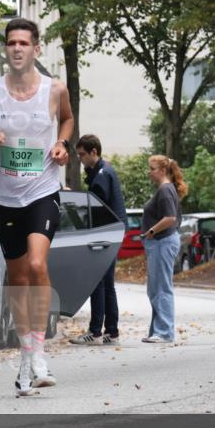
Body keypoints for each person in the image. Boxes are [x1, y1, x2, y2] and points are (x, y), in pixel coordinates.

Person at [0, 17, 73, 397]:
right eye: (11, 42)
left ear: (36, 48)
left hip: (42, 190)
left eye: (24, 43)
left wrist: (62, 144)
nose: (16, 48)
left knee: (37, 265)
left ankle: (40, 353)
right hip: (6, 196)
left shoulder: (54, 89)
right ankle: (26, 357)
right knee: (17, 279)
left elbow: (68, 120)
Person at [70, 134, 124, 345]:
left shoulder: (101, 175)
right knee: (107, 284)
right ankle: (111, 331)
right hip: (113, 231)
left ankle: (95, 331)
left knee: (98, 282)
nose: (80, 159)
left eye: (82, 154)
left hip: (105, 233)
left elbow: (93, 209)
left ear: (94, 152)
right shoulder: (105, 170)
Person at [141, 155, 188, 343]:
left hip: (163, 241)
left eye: (152, 168)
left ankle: (164, 332)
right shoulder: (165, 189)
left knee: (161, 288)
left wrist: (151, 231)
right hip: (160, 242)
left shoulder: (166, 190)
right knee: (155, 288)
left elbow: (170, 218)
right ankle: (157, 331)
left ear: (162, 170)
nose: (149, 172)